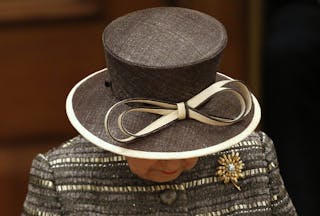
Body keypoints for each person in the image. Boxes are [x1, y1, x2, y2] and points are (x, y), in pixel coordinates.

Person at [22, 7, 297, 215]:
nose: (173, 163)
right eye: (156, 147)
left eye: (190, 144)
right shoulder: (60, 177)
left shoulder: (257, 156)